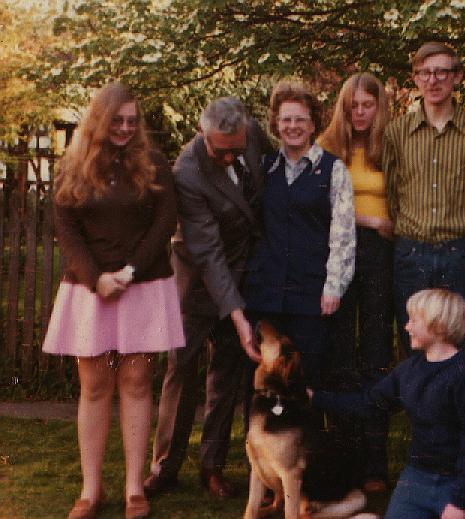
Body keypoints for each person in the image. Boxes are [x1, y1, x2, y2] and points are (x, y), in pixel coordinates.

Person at [43, 82, 184, 519]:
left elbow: (165, 222)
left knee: (137, 385)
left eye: (131, 121)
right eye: (116, 120)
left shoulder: (155, 164)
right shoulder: (73, 167)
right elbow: (66, 229)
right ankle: (91, 489)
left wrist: (128, 273)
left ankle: (133, 489)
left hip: (141, 285)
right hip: (89, 292)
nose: (124, 128)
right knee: (95, 386)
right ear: (100, 120)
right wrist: (95, 278)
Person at [143, 97, 273, 499]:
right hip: (198, 281)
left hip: (244, 274)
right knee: (182, 371)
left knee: (227, 376)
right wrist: (237, 315)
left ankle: (211, 465)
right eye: (222, 151)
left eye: (237, 148)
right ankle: (165, 466)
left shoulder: (250, 137)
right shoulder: (187, 173)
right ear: (203, 135)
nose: (231, 157)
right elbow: (209, 253)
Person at [309, 289, 465, 519]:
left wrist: (460, 503)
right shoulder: (408, 371)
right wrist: (316, 398)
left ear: (437, 325)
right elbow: (369, 404)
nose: (406, 326)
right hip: (417, 478)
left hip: (458, 480)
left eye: (413, 321)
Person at [383, 41, 465, 356]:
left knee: (462, 345)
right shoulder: (397, 133)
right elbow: (392, 192)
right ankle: (420, 407)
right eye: (424, 73)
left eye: (441, 72)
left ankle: (460, 407)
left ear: (457, 77)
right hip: (411, 253)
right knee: (415, 346)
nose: (433, 80)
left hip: (459, 253)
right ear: (415, 78)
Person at [243, 80, 355, 386]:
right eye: (286, 119)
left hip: (312, 296)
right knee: (263, 385)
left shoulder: (333, 170)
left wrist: (334, 286)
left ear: (313, 123)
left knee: (309, 382)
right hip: (267, 295)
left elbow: (343, 235)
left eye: (300, 119)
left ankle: (313, 437)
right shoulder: (264, 168)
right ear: (276, 124)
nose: (292, 126)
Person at [317, 72, 393, 493]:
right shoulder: (329, 148)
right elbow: (320, 209)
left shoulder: (392, 147)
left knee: (377, 354)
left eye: (367, 105)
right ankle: (345, 456)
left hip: (382, 257)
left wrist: (388, 223)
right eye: (353, 106)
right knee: (341, 355)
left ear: (379, 107)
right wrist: (370, 219)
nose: (360, 113)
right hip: (341, 253)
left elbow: (405, 205)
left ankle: (375, 462)